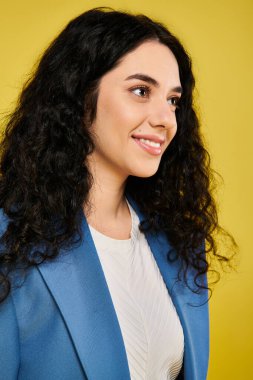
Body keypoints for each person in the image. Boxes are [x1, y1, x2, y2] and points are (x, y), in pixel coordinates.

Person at [0, 7, 235, 380]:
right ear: (79, 96)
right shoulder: (10, 242)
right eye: (141, 91)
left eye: (173, 100)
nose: (165, 119)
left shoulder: (177, 239)